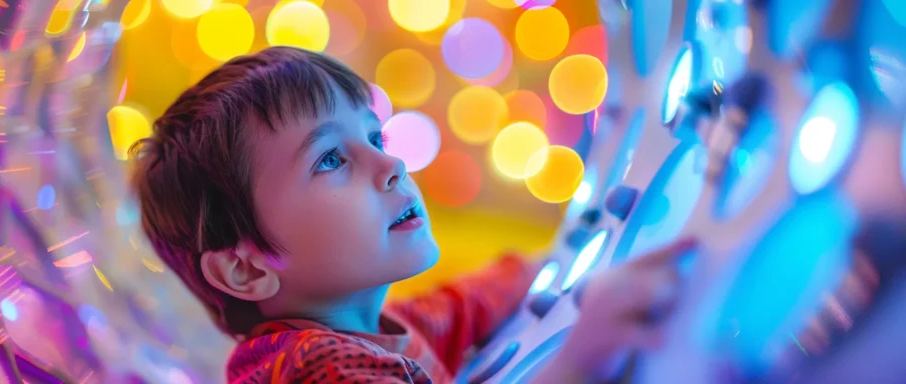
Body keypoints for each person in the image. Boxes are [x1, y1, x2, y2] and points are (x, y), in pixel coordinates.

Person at [129, 46, 694, 383]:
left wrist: (583, 250)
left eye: (374, 136)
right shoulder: (313, 366)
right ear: (246, 269)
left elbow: (476, 297)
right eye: (331, 159)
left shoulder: (376, 328)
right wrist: (580, 355)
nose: (392, 163)